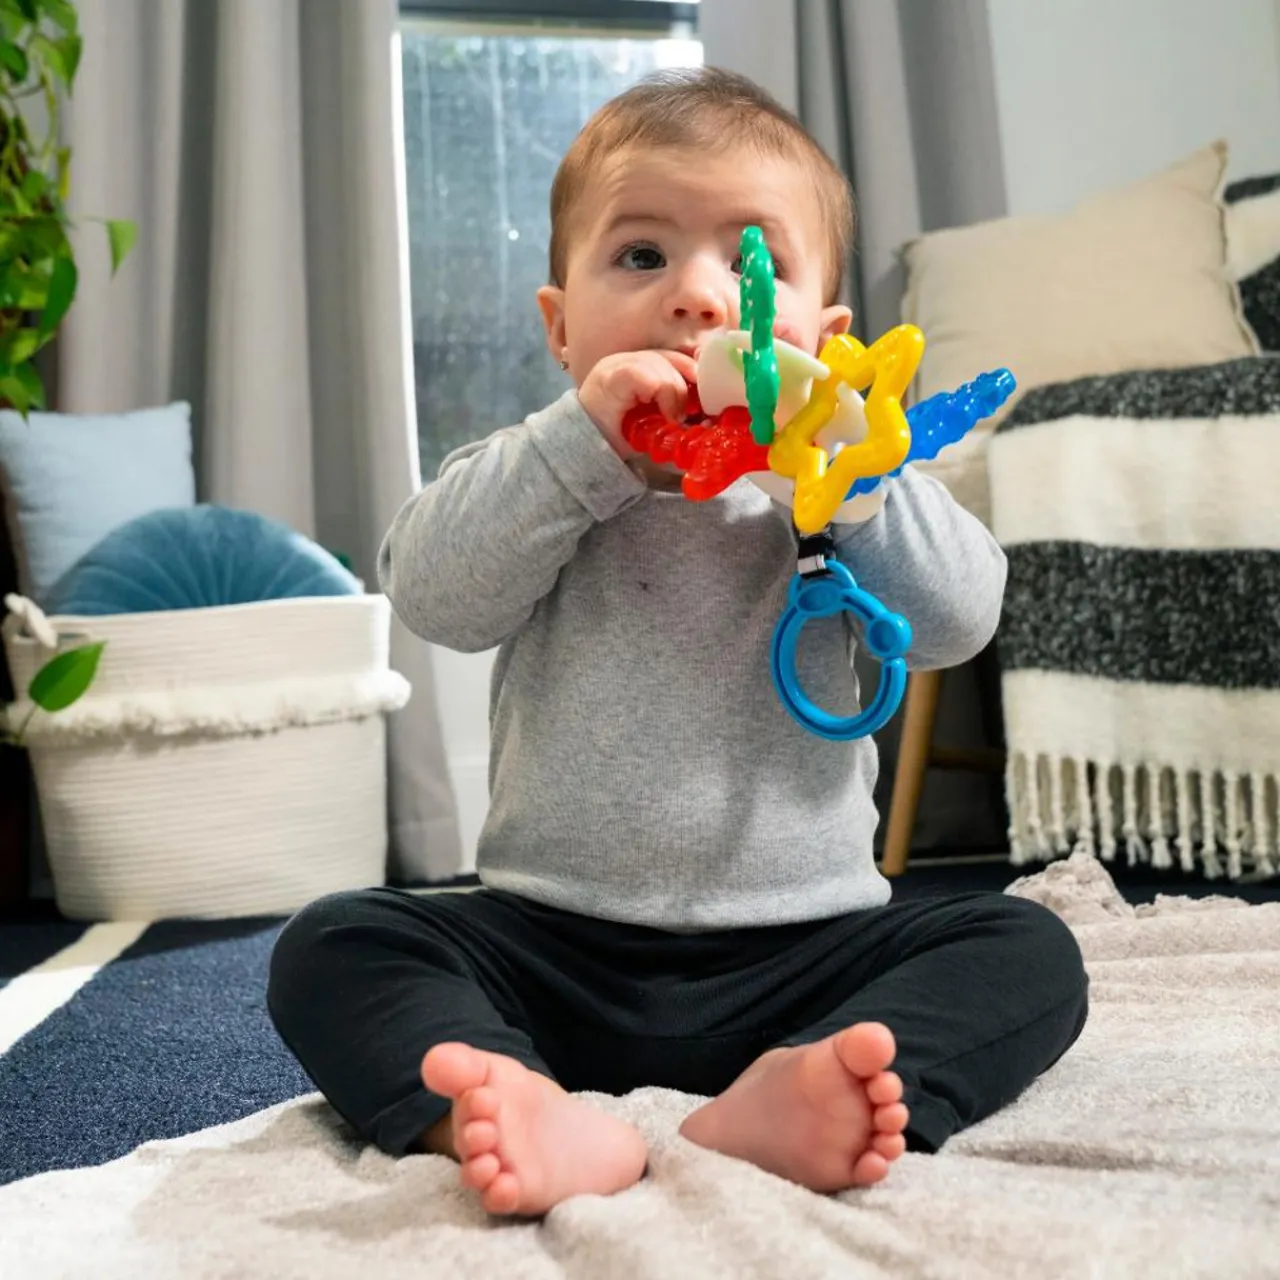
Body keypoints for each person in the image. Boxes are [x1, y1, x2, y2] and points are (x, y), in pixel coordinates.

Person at [268, 66, 1088, 1219]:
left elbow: (961, 619)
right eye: (641, 256)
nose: (701, 300)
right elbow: (435, 597)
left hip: (806, 951)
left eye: (753, 266)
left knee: (1026, 951)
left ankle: (801, 1087)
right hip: (549, 945)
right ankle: (509, 1096)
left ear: (826, 334)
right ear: (561, 328)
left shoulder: (844, 486)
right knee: (333, 942)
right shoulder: (542, 473)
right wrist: (577, 448)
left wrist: (853, 477)